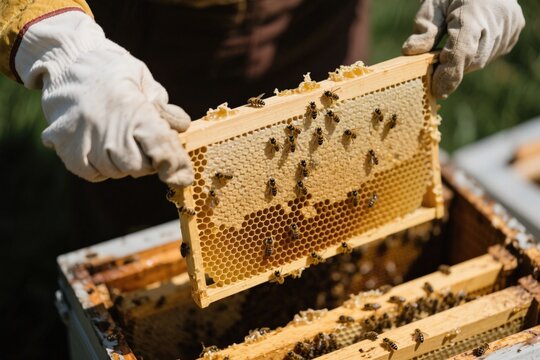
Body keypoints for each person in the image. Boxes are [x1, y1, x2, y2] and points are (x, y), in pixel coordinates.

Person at [0, 0, 525, 236]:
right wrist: (65, 45)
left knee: (325, 188)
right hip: (153, 25)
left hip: (316, 16)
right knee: (141, 176)